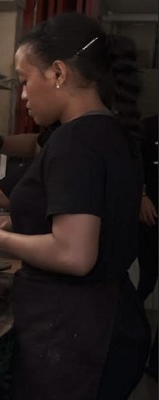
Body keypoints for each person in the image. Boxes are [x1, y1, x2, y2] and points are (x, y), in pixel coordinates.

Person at [0, 12, 150, 399]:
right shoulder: (112, 130)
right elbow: (94, 220)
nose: (23, 95)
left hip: (75, 333)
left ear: (58, 73)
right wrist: (16, 224)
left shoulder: (75, 141)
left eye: (25, 80)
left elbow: (74, 254)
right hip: (108, 320)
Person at [137, 114, 158, 380]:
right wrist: (141, 196)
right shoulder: (148, 125)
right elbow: (134, 162)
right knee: (145, 283)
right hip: (150, 221)